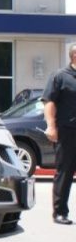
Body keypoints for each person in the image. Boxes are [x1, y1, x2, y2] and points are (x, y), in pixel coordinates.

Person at [42, 43, 76, 225]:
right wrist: (51, 126)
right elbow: (49, 102)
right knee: (65, 172)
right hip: (68, 132)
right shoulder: (60, 77)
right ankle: (60, 212)